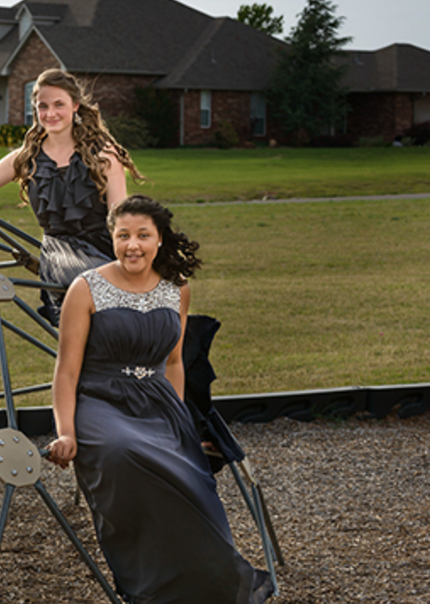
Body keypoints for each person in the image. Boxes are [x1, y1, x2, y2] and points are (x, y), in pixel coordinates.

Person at [46, 195, 273, 603]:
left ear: (159, 239)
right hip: (101, 402)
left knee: (189, 481)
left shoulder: (177, 290)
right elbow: (66, 371)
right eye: (123, 236)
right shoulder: (85, 288)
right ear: (111, 238)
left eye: (143, 235)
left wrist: (179, 417)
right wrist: (66, 432)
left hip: (159, 403)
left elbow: (173, 363)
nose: (132, 245)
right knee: (124, 452)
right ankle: (152, 588)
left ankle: (209, 586)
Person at [0, 69, 144, 326]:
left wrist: (132, 260)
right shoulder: (25, 158)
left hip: (105, 248)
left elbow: (121, 221)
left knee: (147, 308)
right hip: (61, 254)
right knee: (96, 300)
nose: (50, 113)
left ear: (75, 106)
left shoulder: (103, 154)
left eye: (59, 105)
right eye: (42, 106)